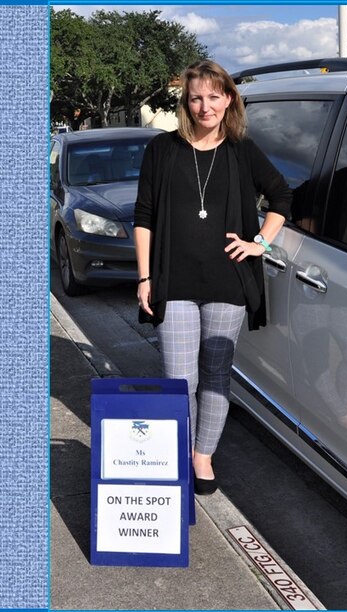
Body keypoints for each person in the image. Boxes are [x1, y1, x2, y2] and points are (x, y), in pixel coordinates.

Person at [133, 59, 291, 495]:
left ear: (228, 100)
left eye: (214, 96)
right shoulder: (162, 150)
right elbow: (143, 216)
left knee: (217, 374)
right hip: (174, 282)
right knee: (179, 380)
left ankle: (203, 456)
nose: (205, 106)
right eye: (196, 97)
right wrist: (145, 278)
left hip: (228, 282)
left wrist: (261, 242)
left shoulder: (241, 149)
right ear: (186, 101)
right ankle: (180, 452)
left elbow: (281, 195)